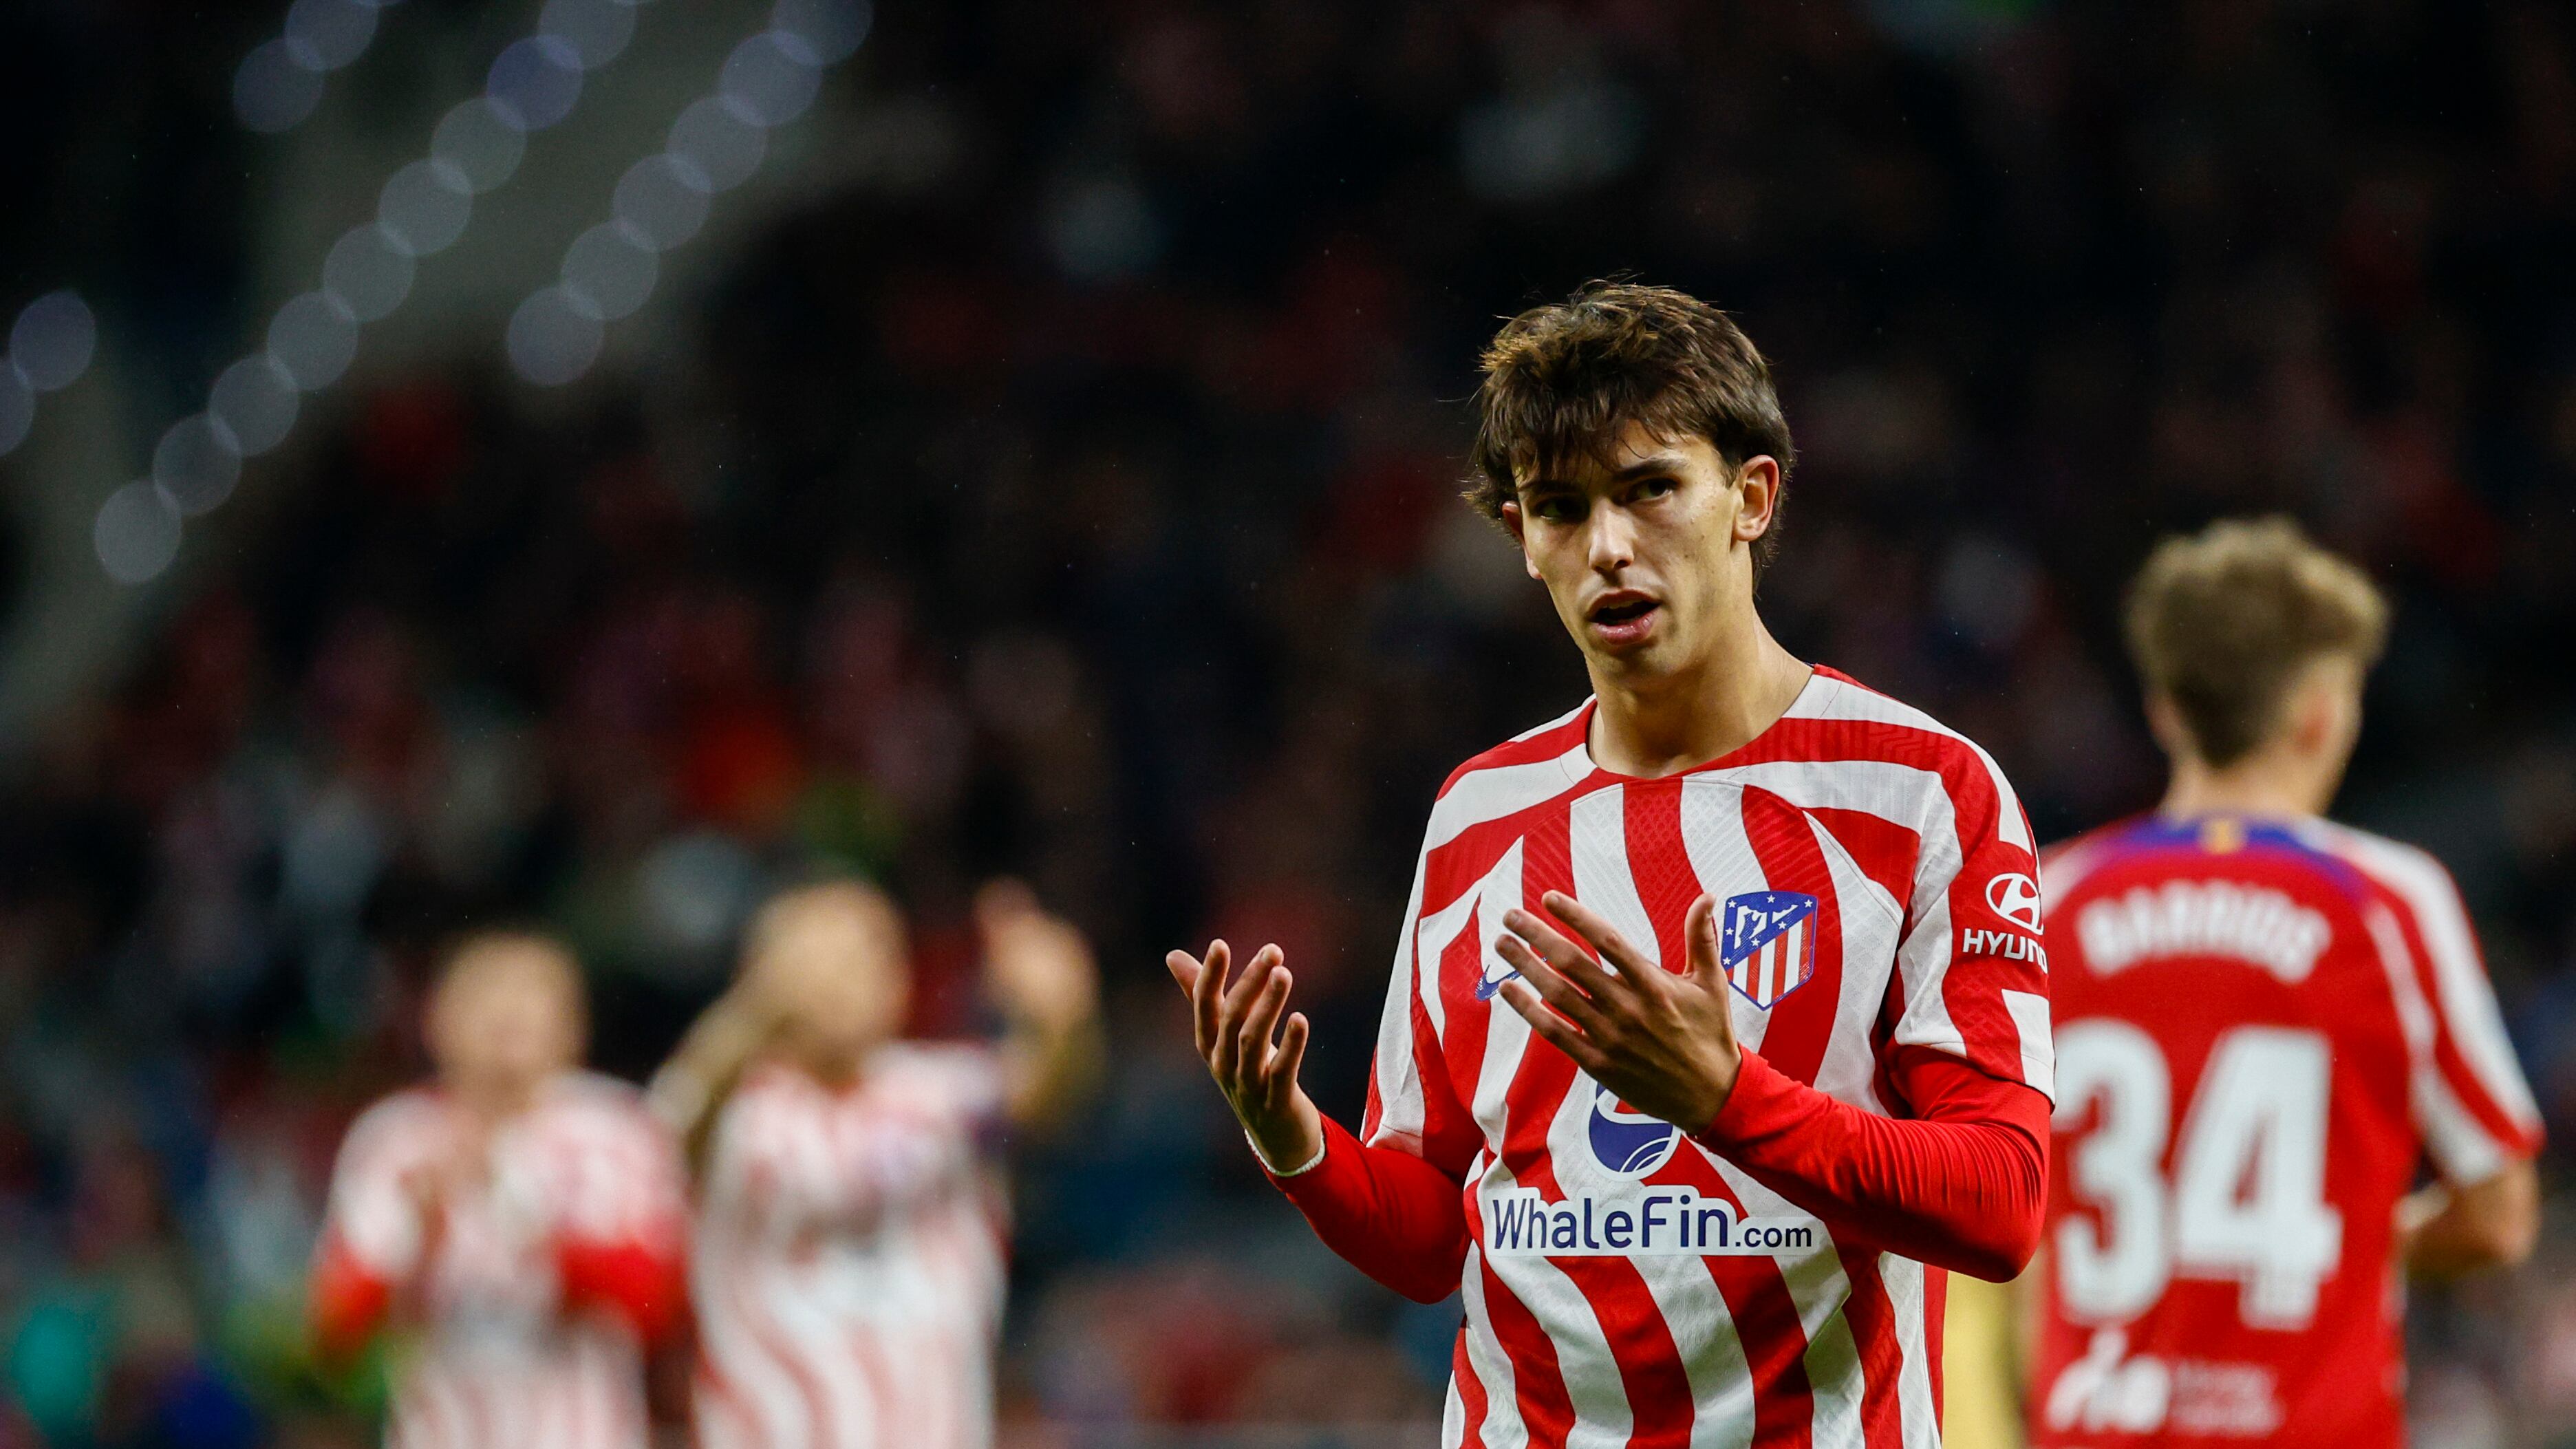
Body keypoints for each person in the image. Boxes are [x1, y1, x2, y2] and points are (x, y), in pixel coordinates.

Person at [1167, 280, 2057, 1445]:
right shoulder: (1478, 814)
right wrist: (1289, 1134)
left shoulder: (1918, 793)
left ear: (1749, 496)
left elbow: (2000, 1203)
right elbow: (1434, 1236)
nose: (1608, 546)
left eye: (1648, 491)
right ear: (1517, 539)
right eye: (1559, 508)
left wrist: (1724, 1100)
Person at [2028, 518, 2542, 1447]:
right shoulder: (2387, 902)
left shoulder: (2048, 902)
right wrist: (2362, 1237)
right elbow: (2499, 1215)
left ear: (2166, 709)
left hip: (2096, 1422)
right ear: (2319, 708)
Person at [652, 876, 1101, 1449]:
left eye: (870, 951)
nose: (847, 973)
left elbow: (1047, 1092)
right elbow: (669, 1133)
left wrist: (1059, 1015)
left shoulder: (942, 1093)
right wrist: (751, 1016)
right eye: (819, 956)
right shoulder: (732, 1111)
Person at [310, 931, 690, 1449]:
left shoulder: (615, 1129)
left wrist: (519, 1201)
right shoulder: (396, 1136)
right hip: (443, 1429)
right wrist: (422, 1228)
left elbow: (655, 1304)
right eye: (484, 1000)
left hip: (582, 1430)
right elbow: (336, 1330)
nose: (506, 1018)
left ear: (573, 1027)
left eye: (530, 1000)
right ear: (436, 1021)